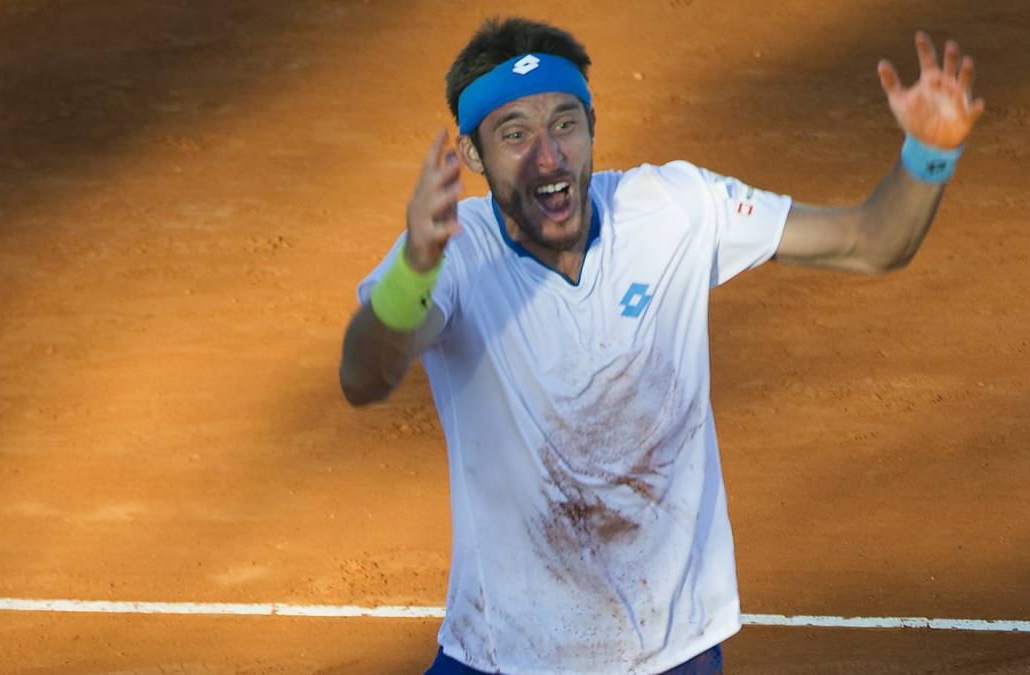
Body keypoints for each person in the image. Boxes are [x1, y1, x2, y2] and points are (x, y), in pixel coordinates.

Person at [339, 16, 984, 675]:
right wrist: (416, 265)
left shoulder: (674, 207)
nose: (548, 155)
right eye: (514, 134)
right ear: (473, 155)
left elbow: (872, 241)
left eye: (565, 122)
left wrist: (928, 155)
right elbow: (365, 374)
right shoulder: (456, 252)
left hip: (667, 654)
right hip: (504, 656)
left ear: (592, 124)